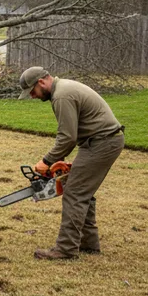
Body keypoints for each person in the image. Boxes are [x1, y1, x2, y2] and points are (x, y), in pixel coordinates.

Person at [19, 66, 125, 260]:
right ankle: (88, 243)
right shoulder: (63, 89)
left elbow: (67, 137)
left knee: (74, 193)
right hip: (98, 142)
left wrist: (46, 161)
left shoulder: (61, 96)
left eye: (32, 91)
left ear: (41, 82)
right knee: (82, 190)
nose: (32, 96)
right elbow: (73, 134)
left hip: (102, 142)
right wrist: (61, 160)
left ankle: (66, 249)